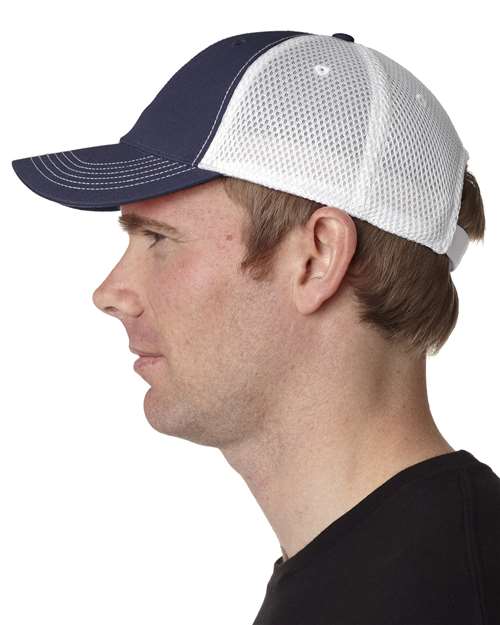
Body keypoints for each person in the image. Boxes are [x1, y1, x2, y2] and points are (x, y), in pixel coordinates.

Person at [12, 30, 500, 625]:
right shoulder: (396, 571)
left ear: (317, 258)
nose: (110, 293)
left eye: (159, 238)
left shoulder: (431, 597)